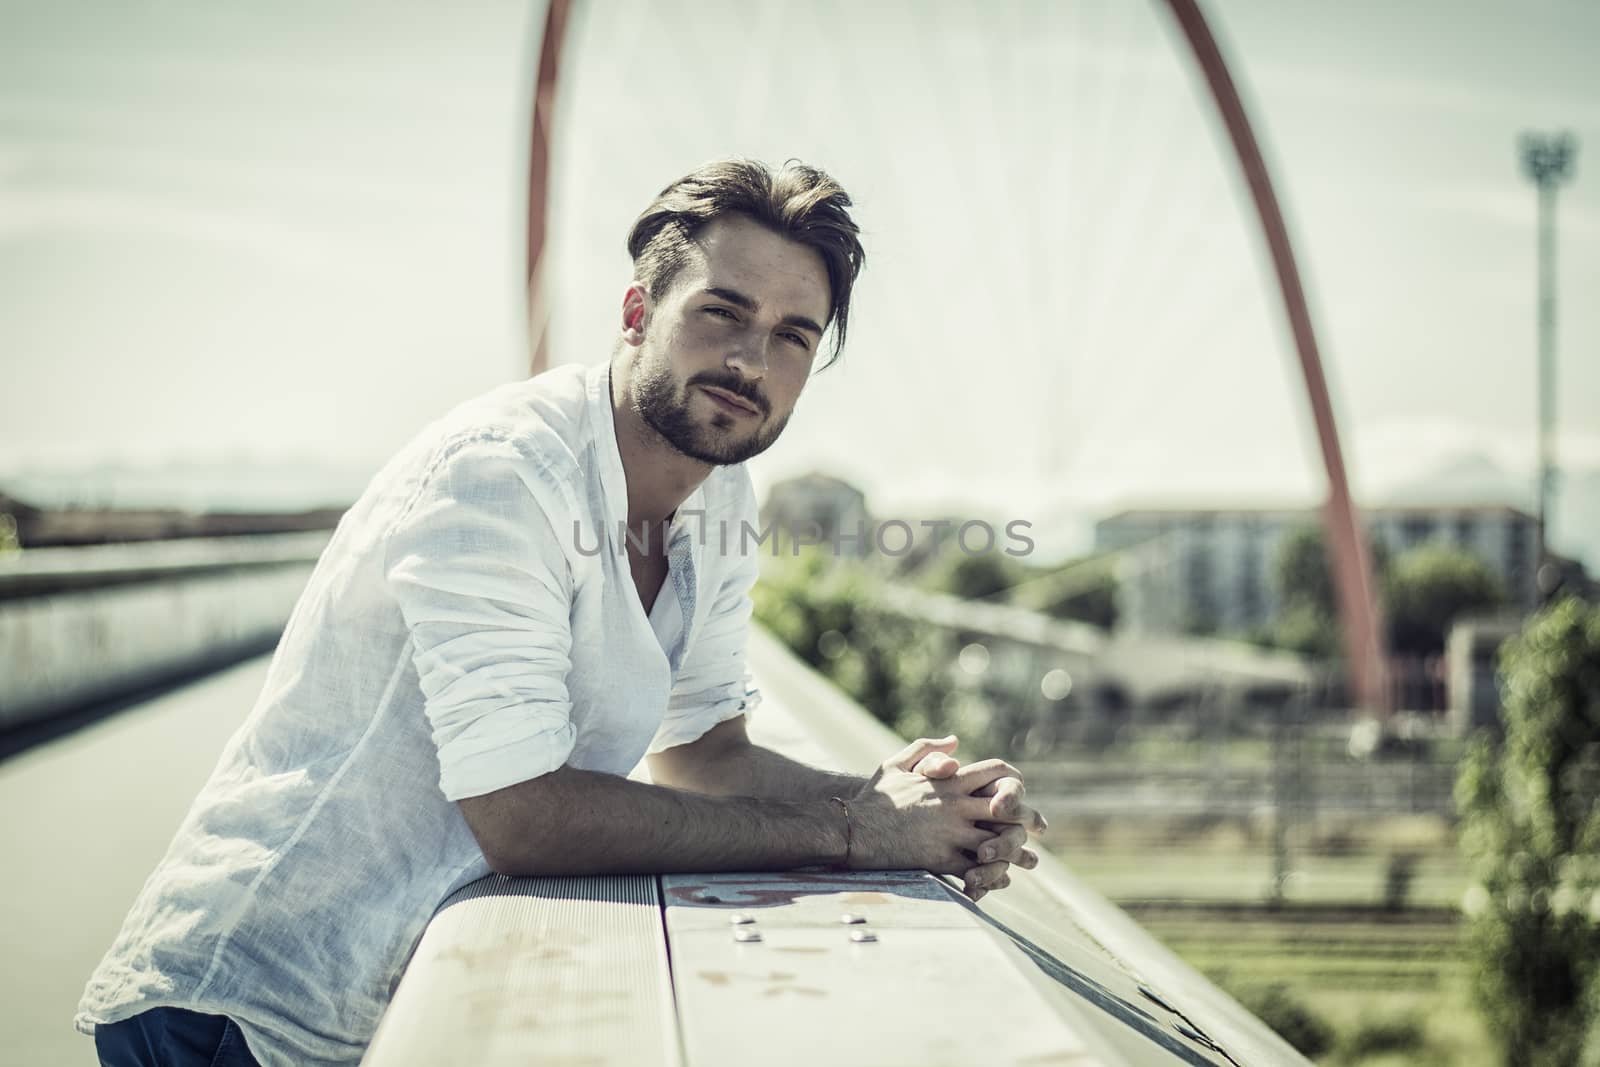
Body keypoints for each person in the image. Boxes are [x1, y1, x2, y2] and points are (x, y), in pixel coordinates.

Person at [77, 158, 1046, 1067]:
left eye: (794, 334)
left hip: (391, 993)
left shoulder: (718, 495)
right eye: (722, 311)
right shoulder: (503, 476)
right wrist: (858, 833)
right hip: (236, 1009)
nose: (751, 358)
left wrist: (906, 805)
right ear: (637, 311)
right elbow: (524, 814)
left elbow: (704, 753)